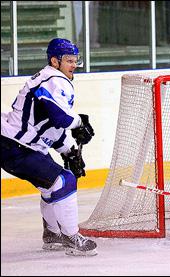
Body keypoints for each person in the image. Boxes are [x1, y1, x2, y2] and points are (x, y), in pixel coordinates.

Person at [1, 38, 97, 256]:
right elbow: (60, 117)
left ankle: (52, 234)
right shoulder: (54, 79)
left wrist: (69, 151)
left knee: (50, 186)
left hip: (15, 144)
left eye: (75, 60)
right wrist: (79, 123)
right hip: (16, 145)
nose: (74, 65)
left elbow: (50, 126)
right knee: (64, 180)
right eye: (69, 60)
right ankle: (72, 238)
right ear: (55, 61)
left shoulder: (52, 79)